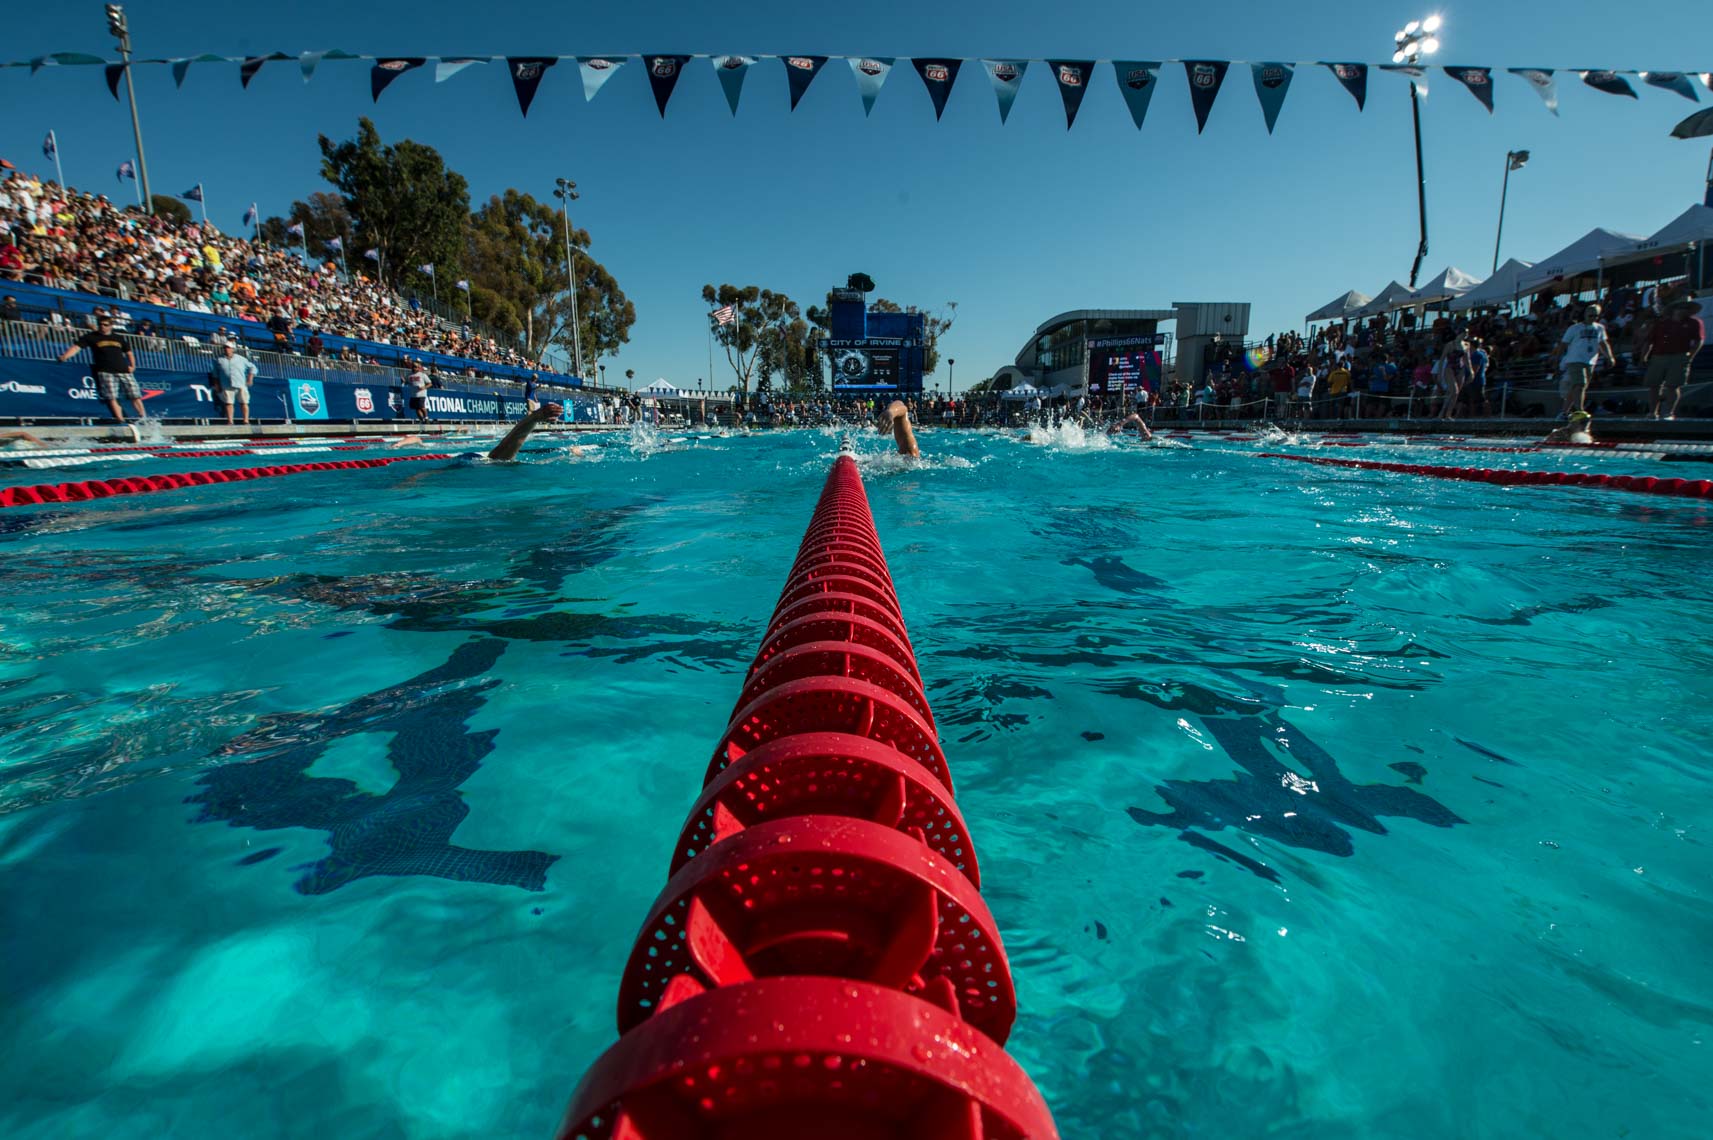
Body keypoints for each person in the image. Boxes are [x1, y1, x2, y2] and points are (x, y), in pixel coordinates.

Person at [56, 312, 144, 423]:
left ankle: (142, 417)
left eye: (106, 324)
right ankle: (120, 420)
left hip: (123, 370)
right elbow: (76, 347)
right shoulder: (92, 337)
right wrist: (65, 356)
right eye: (101, 324)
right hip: (105, 371)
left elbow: (129, 352)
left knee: (135, 395)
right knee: (112, 397)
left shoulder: (118, 338)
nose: (103, 326)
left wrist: (132, 365)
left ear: (111, 326)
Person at [1642, 299, 1704, 421]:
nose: (1684, 310)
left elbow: (1699, 340)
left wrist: (1690, 356)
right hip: (1658, 356)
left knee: (1673, 386)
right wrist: (1644, 355)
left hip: (1679, 356)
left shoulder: (1694, 323)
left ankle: (1669, 413)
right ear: (1674, 310)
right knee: (1654, 385)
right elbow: (1650, 341)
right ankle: (1652, 412)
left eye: (1686, 308)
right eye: (1681, 308)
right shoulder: (1661, 323)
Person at [1552, 304, 1614, 417]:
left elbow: (1603, 343)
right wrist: (1556, 359)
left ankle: (1564, 411)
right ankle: (1579, 411)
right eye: (1591, 315)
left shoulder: (1600, 328)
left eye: (1596, 315)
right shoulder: (1574, 328)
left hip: (1590, 361)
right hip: (1575, 360)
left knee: (1577, 387)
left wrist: (1609, 356)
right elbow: (1563, 344)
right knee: (1580, 384)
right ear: (1585, 314)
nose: (1593, 318)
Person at [208, 341, 259, 426]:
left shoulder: (241, 359)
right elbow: (215, 373)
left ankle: (246, 420)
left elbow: (253, 367)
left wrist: (250, 378)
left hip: (240, 384)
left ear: (232, 349)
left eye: (228, 347)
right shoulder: (219, 359)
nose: (226, 349)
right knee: (229, 403)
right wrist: (216, 384)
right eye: (225, 348)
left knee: (244, 402)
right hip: (226, 384)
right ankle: (230, 421)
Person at [1435, 336, 1472, 421]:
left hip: (1461, 368)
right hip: (1450, 367)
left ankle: (1448, 414)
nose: (1465, 334)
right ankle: (1442, 412)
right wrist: (1440, 373)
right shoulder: (1450, 344)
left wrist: (1471, 371)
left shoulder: (1467, 344)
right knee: (1453, 391)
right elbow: (1442, 358)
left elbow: (1467, 359)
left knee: (1456, 393)